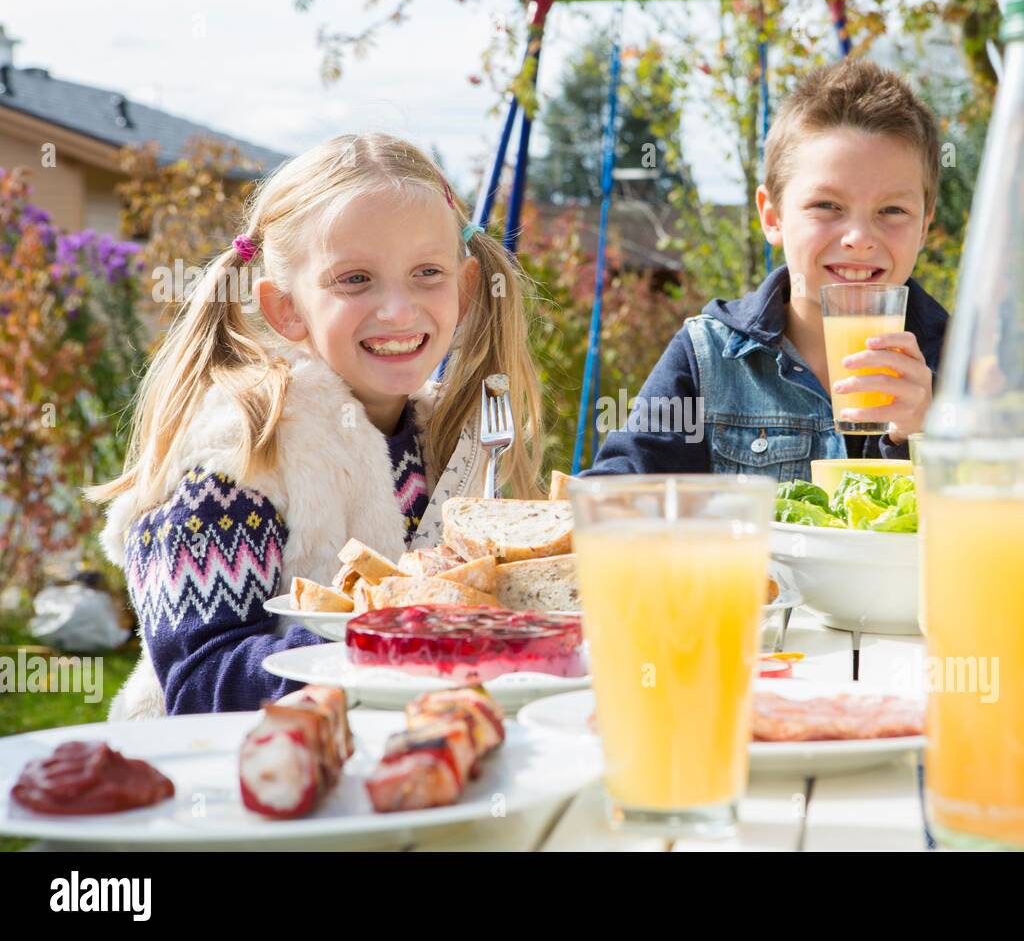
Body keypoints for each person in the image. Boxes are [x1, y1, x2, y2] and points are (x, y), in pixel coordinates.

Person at [88, 133, 542, 718]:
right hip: (219, 783)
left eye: (427, 272)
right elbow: (201, 684)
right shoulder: (241, 452)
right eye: (355, 279)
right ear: (286, 308)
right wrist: (403, 641)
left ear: (466, 286)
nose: (398, 310)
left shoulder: (457, 444)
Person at [586, 59, 949, 480]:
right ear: (772, 217)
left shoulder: (970, 368)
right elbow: (615, 495)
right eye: (826, 206)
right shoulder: (708, 357)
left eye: (892, 210)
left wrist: (927, 439)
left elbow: (1013, 525)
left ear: (923, 228)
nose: (859, 237)